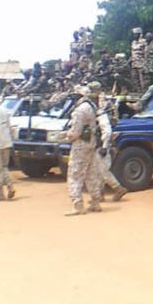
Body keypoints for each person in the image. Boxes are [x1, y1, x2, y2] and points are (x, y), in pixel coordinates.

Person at [65, 85, 102, 215]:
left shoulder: (80, 110)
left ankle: (77, 204)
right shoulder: (91, 107)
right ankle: (95, 201)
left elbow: (75, 131)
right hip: (91, 144)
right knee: (91, 173)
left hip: (80, 145)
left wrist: (68, 137)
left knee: (75, 174)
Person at [88, 81, 127, 201]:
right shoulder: (102, 102)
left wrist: (105, 146)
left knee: (103, 170)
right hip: (101, 141)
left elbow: (106, 129)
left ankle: (118, 188)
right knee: (97, 170)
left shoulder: (101, 104)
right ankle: (99, 195)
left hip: (104, 142)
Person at [130, 27, 146, 93]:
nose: (134, 35)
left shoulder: (144, 42)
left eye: (136, 34)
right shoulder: (133, 42)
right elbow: (132, 53)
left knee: (142, 79)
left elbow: (146, 52)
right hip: (134, 63)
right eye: (134, 34)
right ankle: (138, 91)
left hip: (141, 63)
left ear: (139, 34)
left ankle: (143, 92)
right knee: (135, 78)